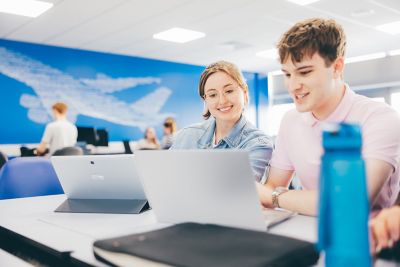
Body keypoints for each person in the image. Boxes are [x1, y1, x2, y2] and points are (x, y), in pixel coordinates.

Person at [256, 18, 400, 216]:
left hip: (371, 239)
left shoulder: (380, 118)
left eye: (304, 72)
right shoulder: (290, 120)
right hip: (307, 230)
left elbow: (350, 202)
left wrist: (276, 197)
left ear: (337, 67)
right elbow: (271, 186)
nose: (292, 86)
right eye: (287, 75)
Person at [170, 60, 273, 181]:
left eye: (229, 91)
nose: (222, 101)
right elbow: (166, 179)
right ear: (206, 100)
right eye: (213, 95)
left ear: (244, 93)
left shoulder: (258, 144)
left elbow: (238, 191)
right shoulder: (186, 136)